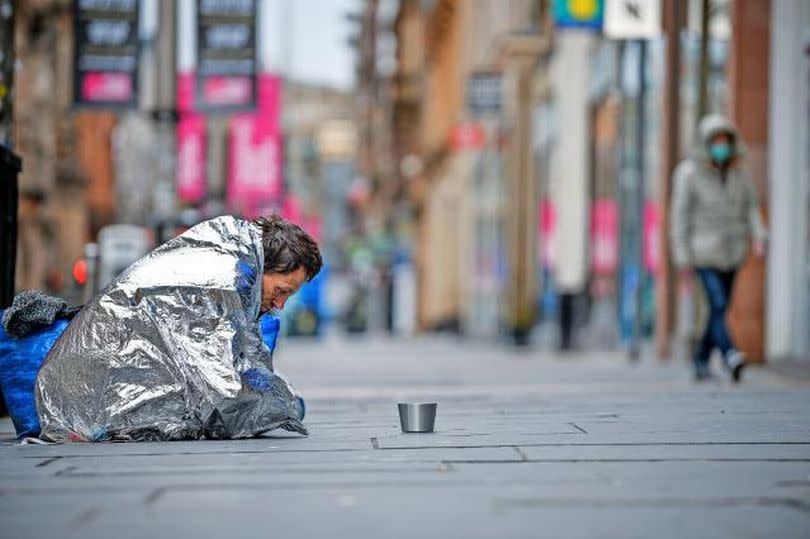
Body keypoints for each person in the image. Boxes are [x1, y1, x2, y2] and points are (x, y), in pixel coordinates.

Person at [33, 214, 321, 442]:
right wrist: (284, 407)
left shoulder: (236, 265)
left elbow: (242, 363)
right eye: (282, 290)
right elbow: (223, 398)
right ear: (265, 268)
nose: (281, 304)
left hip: (78, 388)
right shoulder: (222, 281)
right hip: (80, 402)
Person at [670, 115, 767, 383]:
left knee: (718, 309)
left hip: (733, 251)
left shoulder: (739, 172)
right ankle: (730, 354)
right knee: (718, 302)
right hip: (703, 252)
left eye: (726, 141)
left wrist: (759, 235)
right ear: (706, 143)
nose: (721, 147)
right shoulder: (688, 174)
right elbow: (679, 218)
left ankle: (700, 359)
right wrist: (682, 258)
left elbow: (751, 207)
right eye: (716, 142)